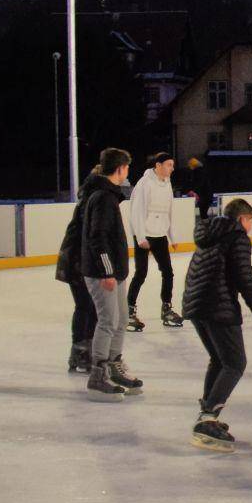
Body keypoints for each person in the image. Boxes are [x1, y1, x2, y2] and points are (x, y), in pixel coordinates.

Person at [180, 198, 252, 453]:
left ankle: (207, 415)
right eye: (251, 222)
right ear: (243, 219)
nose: (250, 228)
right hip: (217, 307)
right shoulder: (237, 237)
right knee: (235, 363)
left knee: (219, 360)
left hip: (197, 304)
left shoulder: (210, 232)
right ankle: (207, 418)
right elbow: (245, 278)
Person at [56, 148, 143, 402]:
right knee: (107, 320)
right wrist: (106, 270)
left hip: (115, 272)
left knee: (120, 318)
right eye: (127, 168)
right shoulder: (102, 197)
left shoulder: (108, 196)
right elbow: (98, 237)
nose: (128, 173)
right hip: (102, 272)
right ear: (120, 169)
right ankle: (98, 375)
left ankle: (114, 364)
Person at [127, 152, 178, 331]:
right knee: (141, 273)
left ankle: (167, 308)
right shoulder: (144, 184)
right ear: (158, 165)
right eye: (169, 165)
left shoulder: (167, 183)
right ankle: (129, 310)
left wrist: (173, 236)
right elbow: (136, 211)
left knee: (168, 272)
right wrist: (140, 237)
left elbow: (169, 211)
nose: (172, 168)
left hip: (160, 235)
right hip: (145, 236)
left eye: (172, 165)